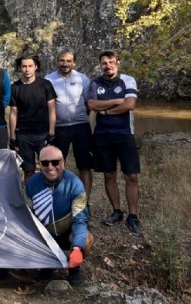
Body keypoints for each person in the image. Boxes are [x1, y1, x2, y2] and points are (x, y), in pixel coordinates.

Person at [86, 50, 143, 236]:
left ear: (118, 62)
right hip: (102, 135)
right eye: (104, 63)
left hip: (124, 133)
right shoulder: (95, 82)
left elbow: (130, 105)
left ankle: (133, 216)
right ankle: (117, 211)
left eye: (111, 62)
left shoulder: (128, 80)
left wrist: (108, 111)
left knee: (131, 176)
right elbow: (92, 105)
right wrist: (118, 100)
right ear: (100, 65)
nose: (108, 66)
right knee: (109, 175)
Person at [25, 145, 94, 286]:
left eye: (55, 162)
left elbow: (80, 219)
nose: (50, 167)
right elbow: (26, 214)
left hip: (67, 231)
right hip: (45, 234)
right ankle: (48, 265)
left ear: (63, 162)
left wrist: (77, 248)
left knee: (86, 239)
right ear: (39, 164)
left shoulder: (75, 184)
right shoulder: (31, 183)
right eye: (45, 163)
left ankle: (74, 267)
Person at [46, 49, 94, 200]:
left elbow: (89, 103)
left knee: (84, 166)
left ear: (74, 62)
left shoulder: (82, 79)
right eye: (62, 60)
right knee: (57, 165)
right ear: (57, 61)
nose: (65, 64)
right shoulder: (49, 79)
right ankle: (60, 200)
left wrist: (79, 117)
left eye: (68, 61)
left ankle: (84, 202)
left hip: (81, 127)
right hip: (59, 128)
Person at [9, 54, 57, 178]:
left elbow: (52, 110)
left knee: (47, 168)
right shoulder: (15, 88)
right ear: (20, 68)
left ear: (36, 67)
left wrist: (51, 133)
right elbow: (13, 113)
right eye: (24, 66)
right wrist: (13, 138)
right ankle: (30, 196)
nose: (27, 69)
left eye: (30, 66)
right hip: (24, 135)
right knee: (28, 170)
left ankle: (48, 196)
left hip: (43, 133)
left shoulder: (45, 85)